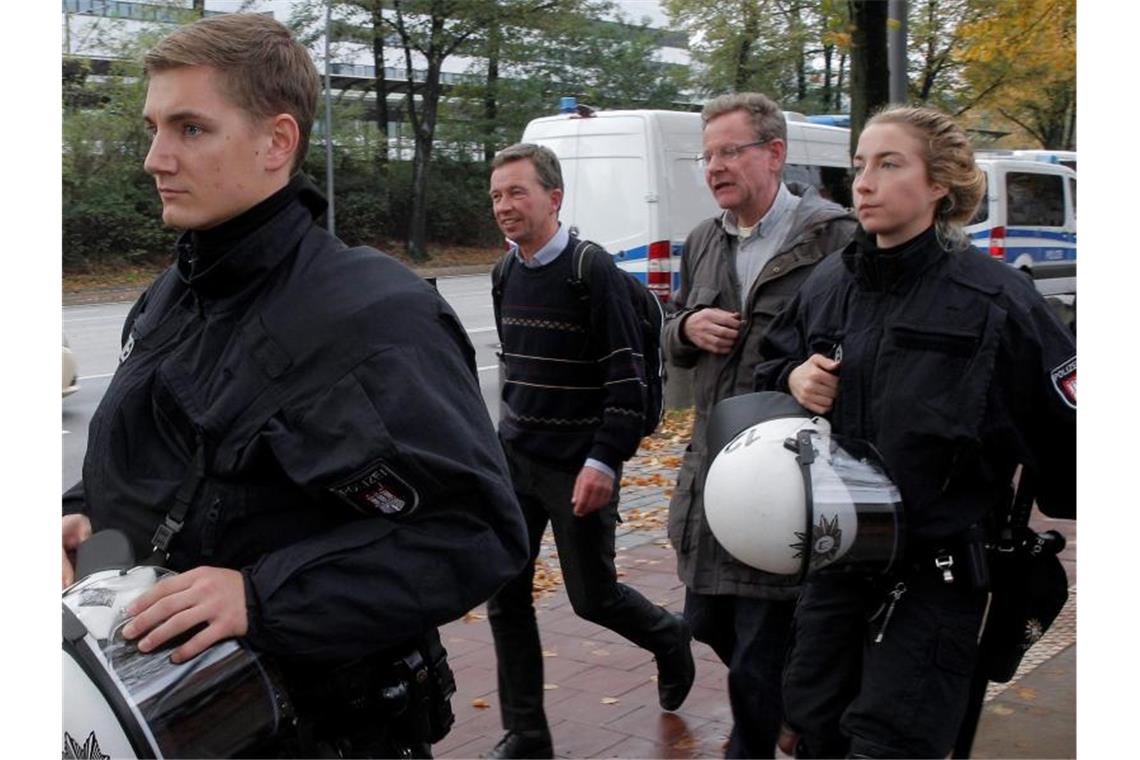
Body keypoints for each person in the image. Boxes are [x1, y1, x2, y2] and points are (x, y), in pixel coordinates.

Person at [60, 14, 529, 758]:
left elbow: (472, 534)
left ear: (277, 142)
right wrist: (85, 523)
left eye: (189, 129)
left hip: (325, 729)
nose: (154, 157)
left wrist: (259, 595)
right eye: (153, 128)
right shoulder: (170, 295)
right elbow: (166, 471)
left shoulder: (375, 316)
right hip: (175, 720)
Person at [752, 105, 1076, 758]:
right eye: (860, 165)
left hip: (939, 579)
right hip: (837, 568)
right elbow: (768, 366)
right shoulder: (830, 283)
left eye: (889, 163)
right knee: (812, 729)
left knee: (891, 744)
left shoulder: (999, 301)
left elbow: (1071, 447)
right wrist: (794, 378)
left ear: (939, 184)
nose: (864, 182)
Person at [484, 143, 695, 759]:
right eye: (497, 195)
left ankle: (668, 637)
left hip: (578, 465)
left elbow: (626, 381)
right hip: (516, 458)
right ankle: (527, 734)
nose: (504, 206)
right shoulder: (504, 273)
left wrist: (603, 460)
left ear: (553, 198)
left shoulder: (589, 271)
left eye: (517, 192)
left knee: (592, 597)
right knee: (505, 596)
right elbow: (516, 370)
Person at [662, 92, 855, 758]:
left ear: (773, 154)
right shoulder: (702, 239)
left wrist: (811, 371)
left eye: (729, 151)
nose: (714, 167)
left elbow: (863, 344)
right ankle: (797, 700)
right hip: (712, 469)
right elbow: (670, 331)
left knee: (755, 650)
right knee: (705, 617)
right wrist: (685, 327)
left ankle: (766, 732)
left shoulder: (834, 237)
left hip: (785, 478)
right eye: (706, 155)